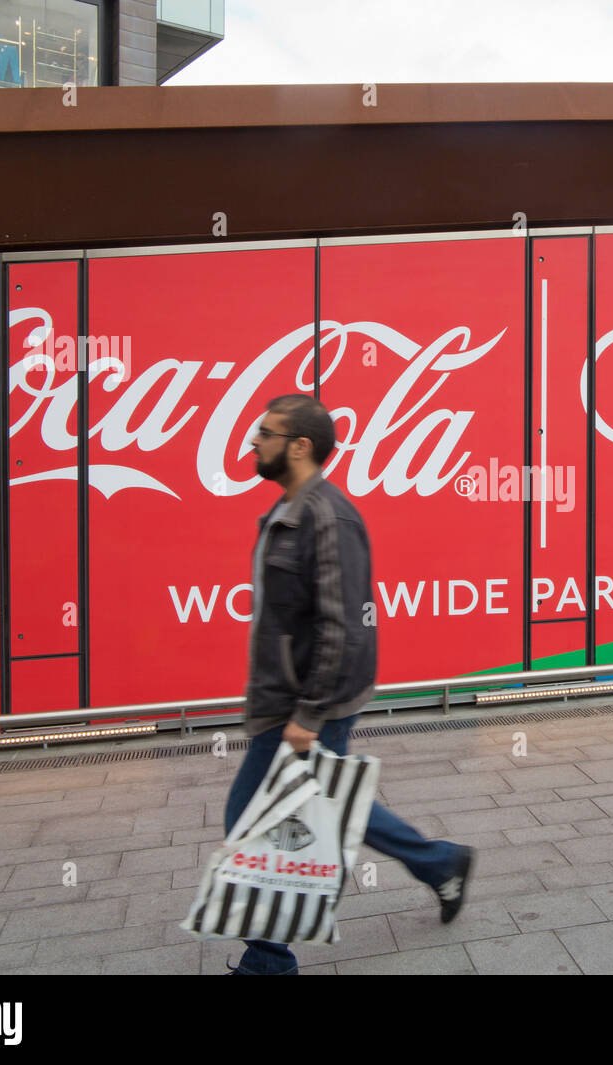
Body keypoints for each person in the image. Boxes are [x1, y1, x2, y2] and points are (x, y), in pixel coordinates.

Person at [222, 393, 475, 975]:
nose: (254, 442)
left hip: (308, 705)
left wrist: (308, 715)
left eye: (266, 433)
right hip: (285, 703)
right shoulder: (288, 511)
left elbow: (345, 625)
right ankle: (440, 863)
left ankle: (268, 960)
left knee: (253, 821)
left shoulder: (327, 517)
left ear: (300, 445)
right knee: (322, 806)